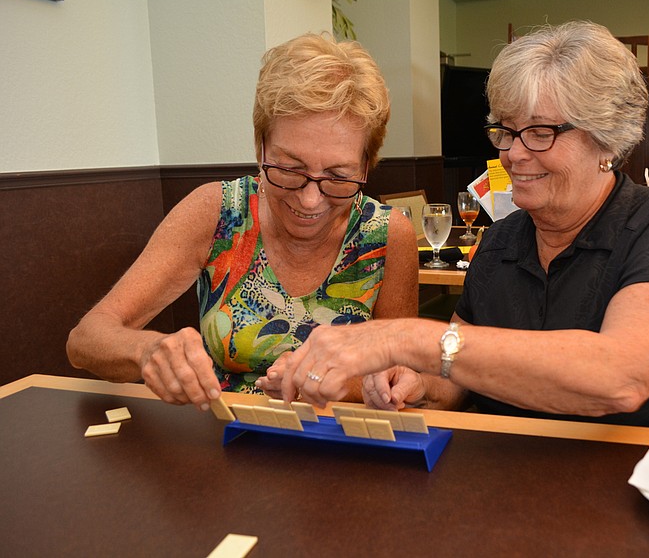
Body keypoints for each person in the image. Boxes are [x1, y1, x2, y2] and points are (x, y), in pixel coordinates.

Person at [276, 21, 649, 429]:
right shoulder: (502, 241)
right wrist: (418, 383)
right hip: (503, 487)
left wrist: (404, 338)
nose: (513, 153)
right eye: (506, 131)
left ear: (606, 137)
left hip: (639, 489)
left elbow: (622, 377)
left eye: (540, 132)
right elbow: (458, 378)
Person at [66, 33, 419, 410]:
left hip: (343, 449)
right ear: (259, 147)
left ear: (366, 166)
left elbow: (399, 377)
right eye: (288, 168)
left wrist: (318, 382)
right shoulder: (219, 212)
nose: (310, 199)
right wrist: (147, 350)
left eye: (338, 175)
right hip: (223, 439)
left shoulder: (387, 235)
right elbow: (84, 341)